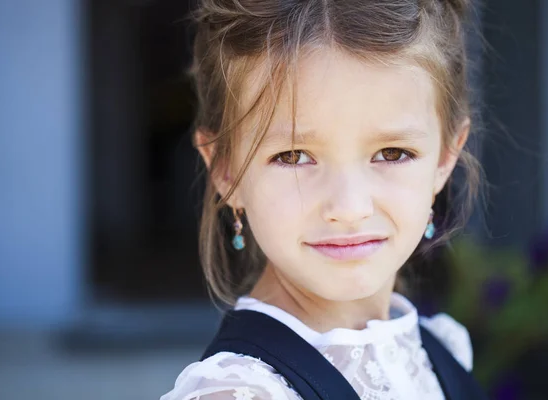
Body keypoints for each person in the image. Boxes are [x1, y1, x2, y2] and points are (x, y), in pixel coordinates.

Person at [162, 0, 487, 398]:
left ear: (444, 158)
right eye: (294, 156)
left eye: (391, 153)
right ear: (227, 170)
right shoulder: (241, 391)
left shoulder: (440, 350)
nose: (349, 208)